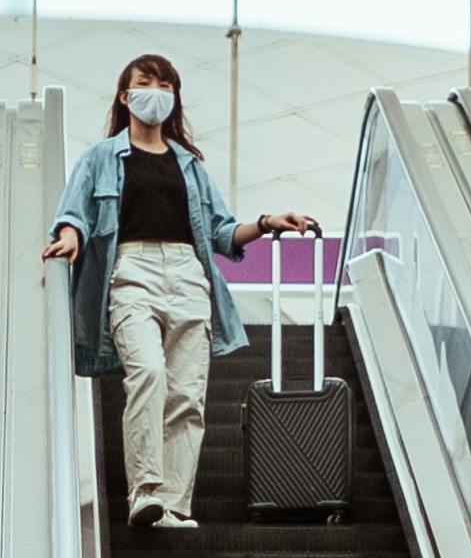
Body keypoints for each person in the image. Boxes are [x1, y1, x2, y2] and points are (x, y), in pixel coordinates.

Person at [44, 59, 316, 528]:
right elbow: (76, 209)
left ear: (175, 96)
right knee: (148, 372)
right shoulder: (101, 157)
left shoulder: (188, 164)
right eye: (144, 84)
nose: (156, 92)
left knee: (188, 395)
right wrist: (70, 234)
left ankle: (174, 505)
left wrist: (270, 222)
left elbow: (222, 232)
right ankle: (144, 491)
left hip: (189, 276)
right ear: (125, 97)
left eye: (164, 85)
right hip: (130, 271)